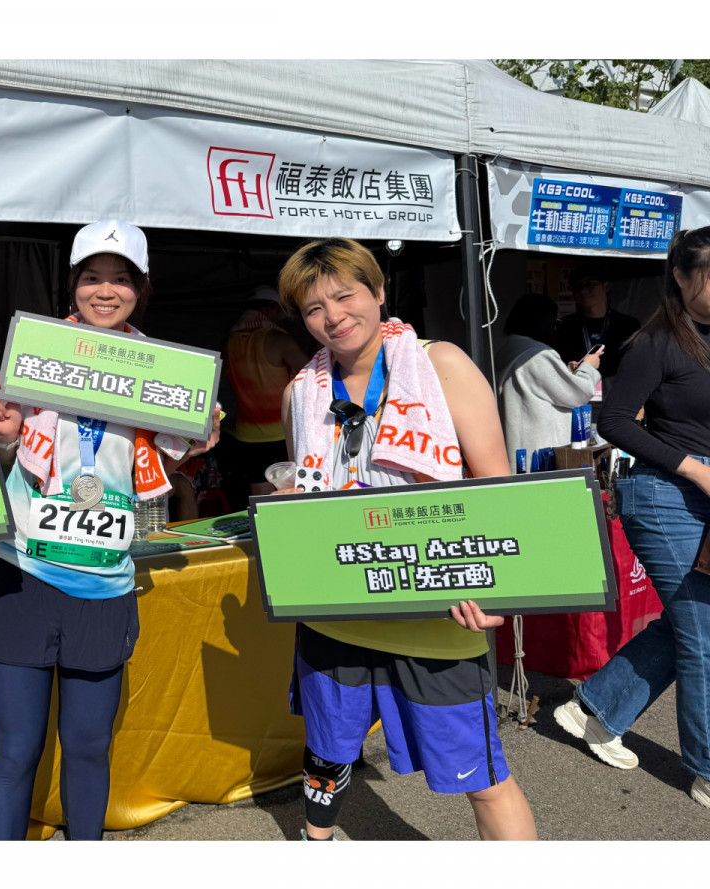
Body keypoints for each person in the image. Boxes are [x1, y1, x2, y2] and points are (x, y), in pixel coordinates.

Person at [277, 237, 537, 841]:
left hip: (437, 617)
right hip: (336, 617)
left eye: (345, 296)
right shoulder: (301, 391)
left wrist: (499, 590)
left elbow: (498, 490)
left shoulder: (441, 365)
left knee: (484, 779)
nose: (333, 316)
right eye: (314, 308)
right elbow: (305, 497)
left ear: (378, 292)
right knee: (326, 758)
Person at [0, 219, 219, 840]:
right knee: (15, 750)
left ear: (141, 290)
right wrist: (5, 436)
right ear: (73, 285)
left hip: (102, 582)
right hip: (20, 571)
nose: (105, 291)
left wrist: (195, 442)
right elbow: (0, 461)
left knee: (87, 748)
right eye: (92, 277)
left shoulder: (164, 374)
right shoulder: (34, 353)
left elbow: (158, 464)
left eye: (121, 279)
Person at [553, 227, 710, 811]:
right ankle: (706, 770)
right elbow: (614, 421)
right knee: (703, 632)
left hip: (704, 493)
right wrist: (695, 469)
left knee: (688, 624)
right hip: (664, 494)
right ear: (681, 276)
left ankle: (595, 708)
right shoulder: (657, 341)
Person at [219, 287, 312, 508]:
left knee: (259, 500)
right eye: (278, 311)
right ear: (270, 307)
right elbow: (312, 374)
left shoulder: (228, 343)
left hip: (246, 434)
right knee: (292, 497)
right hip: (281, 433)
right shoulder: (278, 339)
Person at [496, 292, 602, 465]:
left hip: (521, 449)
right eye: (555, 322)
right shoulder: (537, 355)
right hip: (542, 454)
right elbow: (578, 394)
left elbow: (543, 386)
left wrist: (565, 373)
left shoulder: (508, 350)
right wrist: (588, 367)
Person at [551, 259, 640, 390]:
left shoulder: (628, 325)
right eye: (578, 286)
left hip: (618, 394)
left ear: (606, 286)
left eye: (590, 284)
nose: (583, 290)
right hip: (578, 394)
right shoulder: (563, 326)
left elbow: (637, 367)